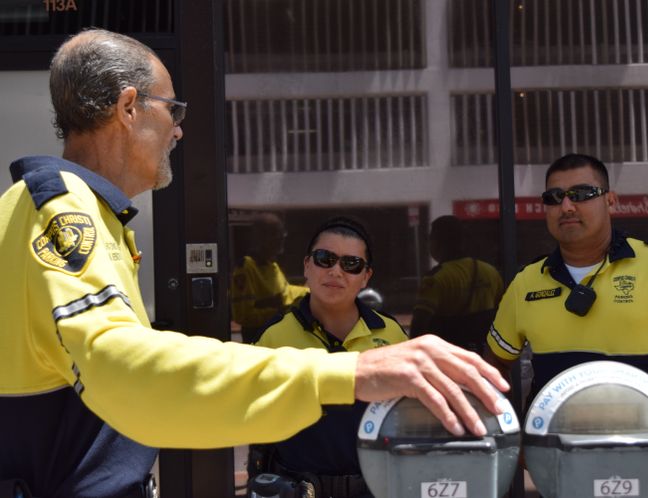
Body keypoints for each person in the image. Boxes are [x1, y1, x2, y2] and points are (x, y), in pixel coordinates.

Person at [0, 29, 509, 498]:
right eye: (172, 109)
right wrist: (347, 372)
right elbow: (121, 367)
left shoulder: (50, 209)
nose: (178, 131)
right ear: (129, 107)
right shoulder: (65, 211)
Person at [484, 153, 648, 497]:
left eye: (581, 194)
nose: (566, 206)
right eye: (554, 197)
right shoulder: (526, 284)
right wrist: (514, 438)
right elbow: (491, 367)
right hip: (563, 480)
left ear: (610, 200)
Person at [250, 216, 406, 498]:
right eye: (325, 259)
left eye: (351, 264)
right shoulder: (272, 338)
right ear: (307, 266)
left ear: (366, 276)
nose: (336, 270)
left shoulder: (392, 335)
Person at [410, 215, 504, 353]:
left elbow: (419, 325)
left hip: (452, 357)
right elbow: (503, 314)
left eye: (430, 239)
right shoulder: (490, 272)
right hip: (485, 354)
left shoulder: (436, 278)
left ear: (438, 242)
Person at [230, 212, 308, 344]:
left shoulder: (271, 265)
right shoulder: (246, 268)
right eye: (276, 234)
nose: (281, 239)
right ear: (261, 237)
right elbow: (243, 316)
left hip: (277, 337)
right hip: (258, 340)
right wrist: (280, 312)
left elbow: (285, 293)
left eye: (282, 234)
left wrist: (310, 291)